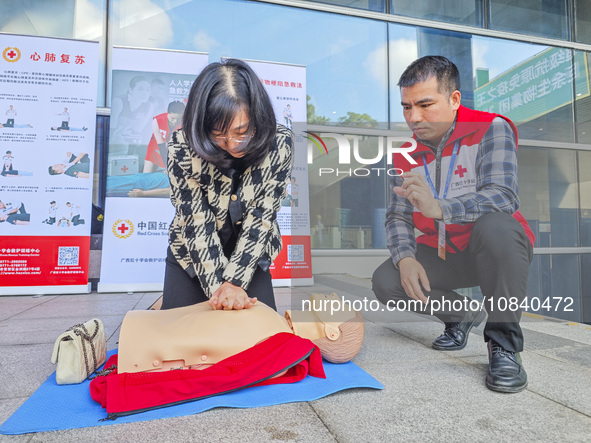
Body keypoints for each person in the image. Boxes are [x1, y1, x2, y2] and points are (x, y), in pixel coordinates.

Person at [371, 56, 535, 393]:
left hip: (493, 248)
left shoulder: (491, 128)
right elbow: (397, 216)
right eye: (406, 107)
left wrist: (439, 207)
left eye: (425, 104)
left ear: (454, 100)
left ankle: (504, 345)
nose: (413, 117)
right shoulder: (405, 154)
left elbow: (503, 196)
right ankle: (459, 316)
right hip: (446, 252)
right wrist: (405, 258)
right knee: (387, 280)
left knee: (498, 227)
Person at [162, 58, 294, 312]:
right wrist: (220, 293)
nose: (233, 144)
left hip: (251, 253)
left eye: (242, 132)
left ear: (257, 118)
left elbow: (263, 215)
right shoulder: (182, 145)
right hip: (193, 250)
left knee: (261, 342)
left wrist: (235, 282)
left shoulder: (280, 143)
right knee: (180, 340)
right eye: (219, 135)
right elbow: (194, 219)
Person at [143, 101, 186, 173]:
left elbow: (181, 146)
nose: (175, 121)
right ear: (167, 112)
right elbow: (161, 145)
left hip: (173, 150)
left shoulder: (184, 123)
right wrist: (167, 166)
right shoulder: (157, 121)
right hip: (155, 149)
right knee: (146, 175)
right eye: (172, 118)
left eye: (178, 119)